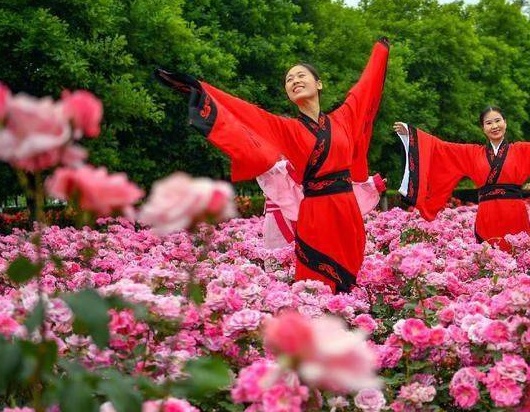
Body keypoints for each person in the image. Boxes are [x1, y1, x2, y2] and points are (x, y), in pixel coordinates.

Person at [155, 38, 391, 292]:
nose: (295, 81)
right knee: (316, 287)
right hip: (315, 215)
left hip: (347, 213)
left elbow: (365, 90)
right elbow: (244, 113)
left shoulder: (344, 119)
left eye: (301, 75)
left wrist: (380, 50)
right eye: (289, 80)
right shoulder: (286, 129)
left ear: (319, 84)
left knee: (348, 286)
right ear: (288, 93)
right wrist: (198, 89)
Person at [394, 106, 530, 250]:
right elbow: (441, 149)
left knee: (519, 258)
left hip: (515, 213)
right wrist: (410, 134)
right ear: (483, 128)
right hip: (487, 213)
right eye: (489, 123)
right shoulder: (471, 153)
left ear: (505, 123)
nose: (494, 126)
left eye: (498, 121)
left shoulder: (524, 150)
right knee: (488, 263)